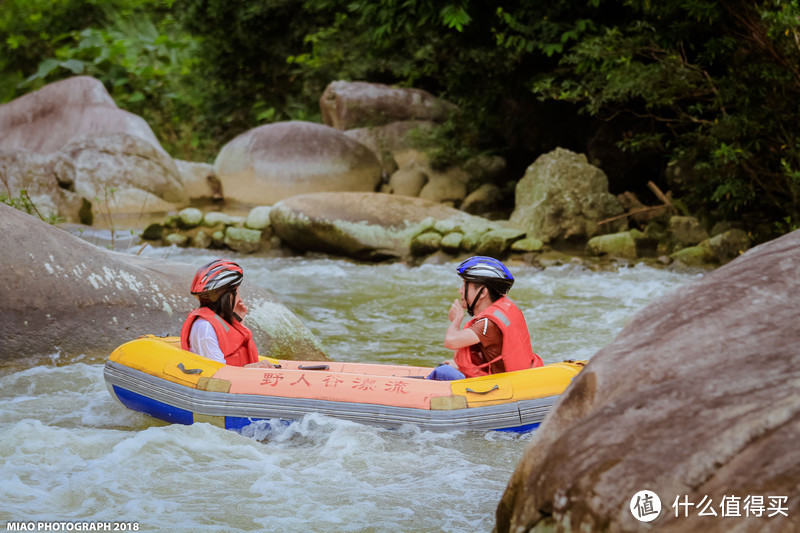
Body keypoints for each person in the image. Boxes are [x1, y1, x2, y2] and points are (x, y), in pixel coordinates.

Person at [427, 256, 543, 380]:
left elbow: (451, 341)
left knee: (442, 372)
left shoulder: (488, 323)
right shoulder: (506, 307)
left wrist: (456, 319)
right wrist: (460, 366)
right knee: (449, 367)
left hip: (503, 387)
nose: (460, 290)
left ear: (482, 293)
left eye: (466, 284)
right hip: (515, 377)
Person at [180, 259, 272, 368]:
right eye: (237, 291)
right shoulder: (204, 328)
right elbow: (217, 373)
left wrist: (238, 322)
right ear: (228, 297)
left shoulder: (218, 321)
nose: (239, 297)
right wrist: (251, 368)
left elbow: (236, 347)